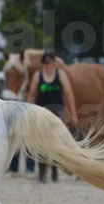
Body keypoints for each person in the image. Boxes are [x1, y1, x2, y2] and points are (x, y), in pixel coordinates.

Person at [27, 51, 78, 183]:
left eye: (50, 63)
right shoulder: (38, 76)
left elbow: (69, 95)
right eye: (45, 63)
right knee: (41, 143)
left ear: (54, 63)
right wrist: (28, 114)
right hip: (42, 112)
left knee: (56, 142)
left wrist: (73, 114)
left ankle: (55, 169)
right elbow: (32, 95)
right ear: (43, 64)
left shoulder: (60, 75)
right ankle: (42, 173)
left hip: (57, 112)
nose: (48, 66)